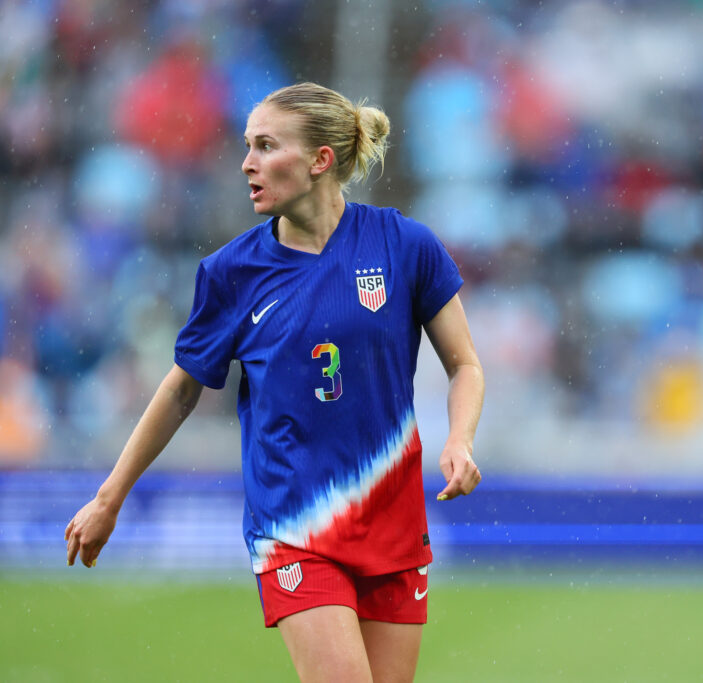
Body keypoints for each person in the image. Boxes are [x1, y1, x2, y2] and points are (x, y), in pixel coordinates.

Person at [64, 81, 484, 683]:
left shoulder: (404, 245)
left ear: (320, 160)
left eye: (265, 146)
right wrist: (109, 499)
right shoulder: (232, 273)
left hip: (393, 524)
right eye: (247, 145)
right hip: (295, 528)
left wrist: (460, 439)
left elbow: (465, 364)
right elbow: (182, 390)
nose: (246, 163)